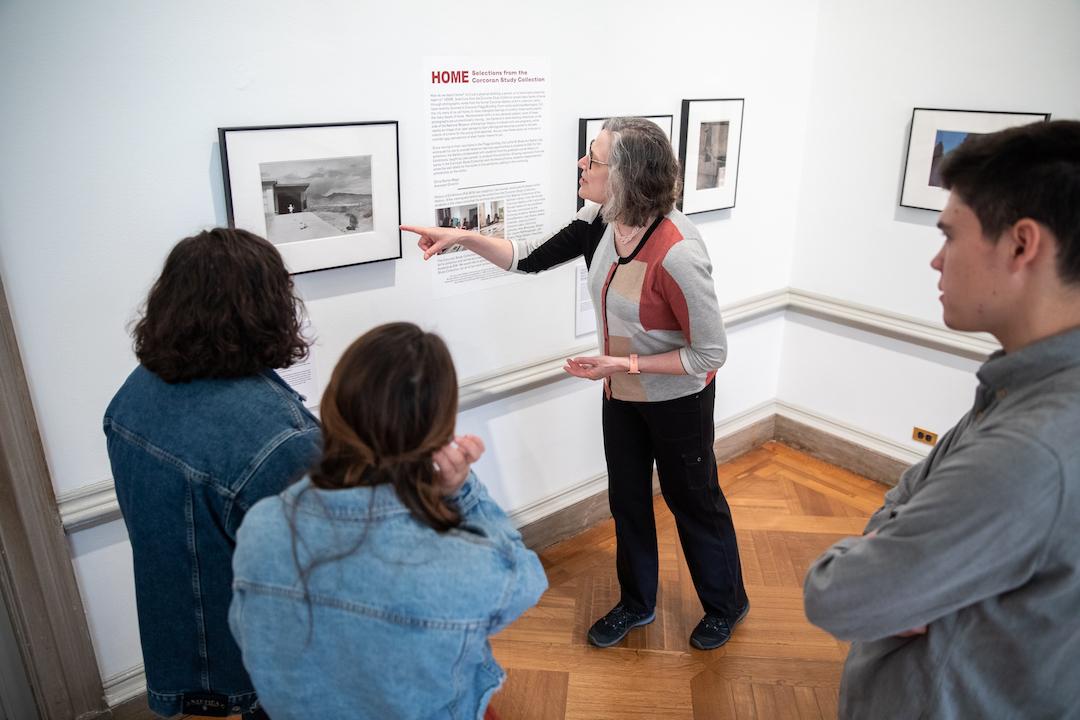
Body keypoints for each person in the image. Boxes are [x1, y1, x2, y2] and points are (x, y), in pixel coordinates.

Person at [402, 117, 748, 651]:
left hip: (678, 399)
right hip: (620, 395)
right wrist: (463, 238)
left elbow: (710, 353)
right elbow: (528, 256)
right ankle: (637, 603)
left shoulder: (678, 251)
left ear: (627, 174)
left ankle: (727, 604)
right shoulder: (601, 222)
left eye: (594, 158)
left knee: (694, 502)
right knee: (627, 501)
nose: (582, 165)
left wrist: (626, 366)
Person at [803, 120, 1080, 718]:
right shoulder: (1021, 387)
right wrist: (900, 546)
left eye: (950, 235)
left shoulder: (1032, 451)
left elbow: (839, 596)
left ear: (1021, 245)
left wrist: (869, 554)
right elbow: (908, 491)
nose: (935, 260)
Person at [229, 322, 547, 719]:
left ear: (335, 407)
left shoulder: (262, 526)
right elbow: (527, 580)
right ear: (437, 431)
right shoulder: (462, 566)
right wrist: (464, 493)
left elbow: (249, 637)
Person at [103, 228, 321, 718]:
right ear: (265, 308)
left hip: (184, 639)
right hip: (263, 661)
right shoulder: (277, 441)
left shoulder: (136, 393)